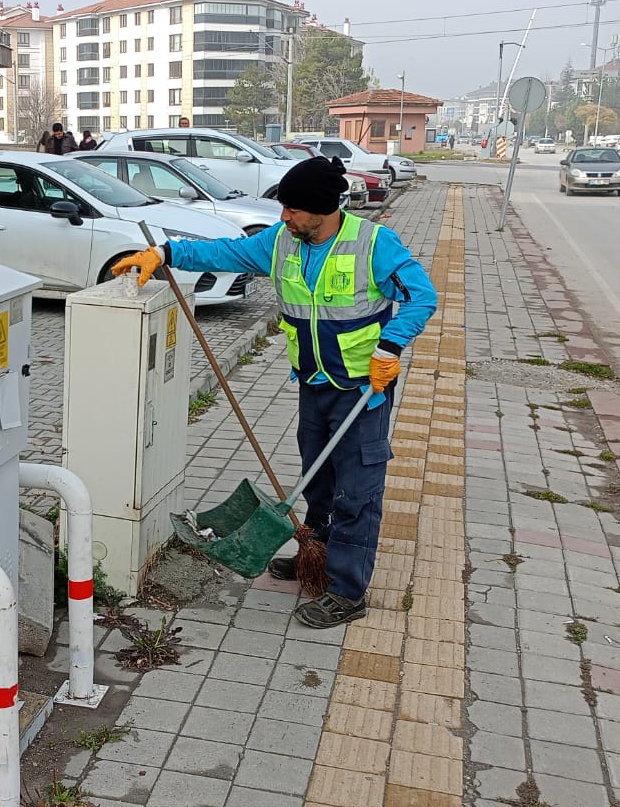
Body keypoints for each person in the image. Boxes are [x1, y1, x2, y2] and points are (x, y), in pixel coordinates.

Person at [111, 156, 437, 629]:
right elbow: (224, 252)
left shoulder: (373, 244)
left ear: (322, 211)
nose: (284, 217)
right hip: (313, 384)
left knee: (356, 491)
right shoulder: (282, 242)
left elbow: (422, 296)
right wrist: (164, 253)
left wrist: (391, 345)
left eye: (293, 209)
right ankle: (317, 555)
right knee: (319, 481)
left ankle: (347, 589)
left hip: (363, 390)